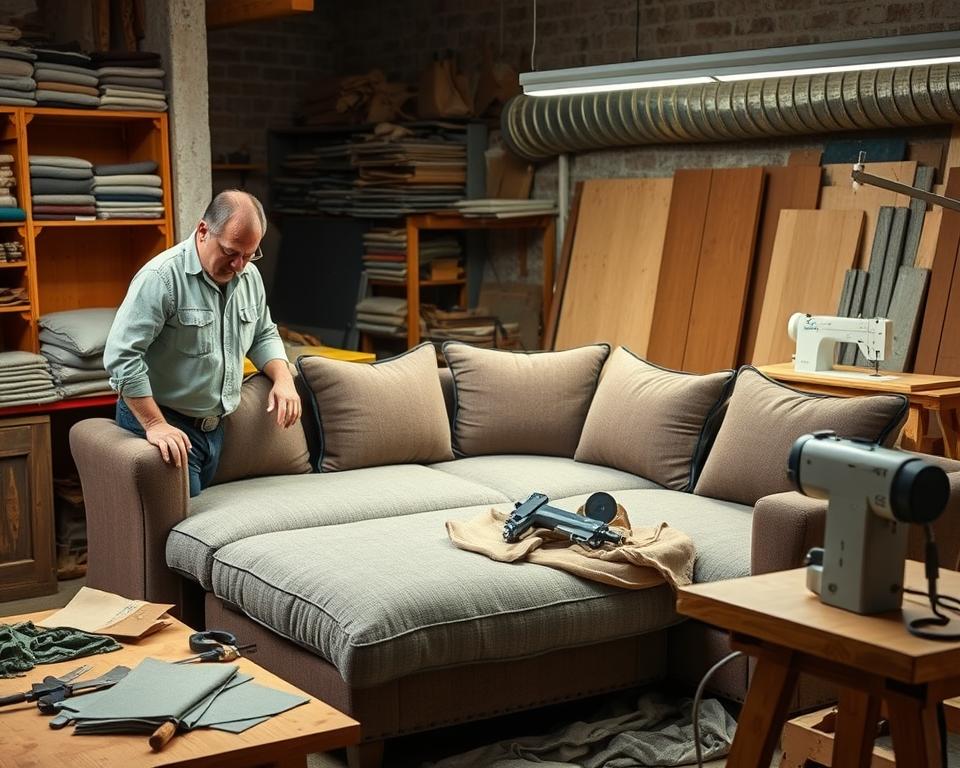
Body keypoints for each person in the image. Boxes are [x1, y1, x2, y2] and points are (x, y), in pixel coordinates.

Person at [104, 189, 301, 497]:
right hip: (162, 427)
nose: (239, 265)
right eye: (231, 252)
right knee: (176, 530)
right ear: (203, 231)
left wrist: (284, 378)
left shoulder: (250, 278)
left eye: (249, 255)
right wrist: (155, 425)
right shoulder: (161, 278)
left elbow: (263, 334)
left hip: (214, 432)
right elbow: (122, 357)